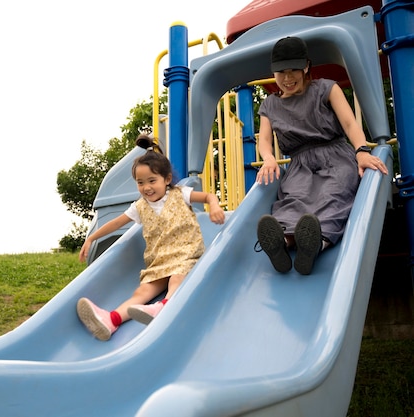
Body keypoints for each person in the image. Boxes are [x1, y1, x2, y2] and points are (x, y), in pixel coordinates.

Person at [255, 36, 388, 275]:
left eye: (294, 70)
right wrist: (269, 157)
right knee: (293, 198)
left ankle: (316, 243)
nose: (287, 78)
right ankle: (283, 243)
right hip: (299, 164)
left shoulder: (326, 88)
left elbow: (349, 123)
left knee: (333, 194)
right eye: (280, 72)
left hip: (335, 156)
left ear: (306, 66)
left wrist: (361, 151)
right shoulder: (270, 105)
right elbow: (264, 139)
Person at [76, 135, 225, 341]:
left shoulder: (180, 193)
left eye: (152, 181)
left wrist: (215, 206)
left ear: (167, 179)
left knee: (177, 278)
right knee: (142, 293)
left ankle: (163, 306)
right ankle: (112, 319)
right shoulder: (140, 207)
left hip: (187, 254)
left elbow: (208, 197)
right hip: (159, 261)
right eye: (140, 182)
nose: (146, 187)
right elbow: (117, 223)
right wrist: (92, 237)